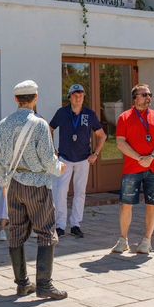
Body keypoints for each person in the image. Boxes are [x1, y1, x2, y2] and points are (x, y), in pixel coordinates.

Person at [0, 80, 68, 300]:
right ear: (35, 98)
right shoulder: (40, 124)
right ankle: (44, 285)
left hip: (14, 183)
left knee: (16, 231)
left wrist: (3, 184)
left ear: (16, 99)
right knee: (45, 231)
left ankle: (22, 283)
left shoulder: (3, 124)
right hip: (36, 184)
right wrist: (59, 169)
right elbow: (47, 158)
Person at [111, 84, 154, 255]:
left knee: (152, 204)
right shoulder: (124, 117)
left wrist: (150, 157)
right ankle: (123, 240)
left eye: (150, 94)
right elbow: (120, 142)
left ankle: (147, 241)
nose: (148, 97)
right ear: (134, 98)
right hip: (132, 168)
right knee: (126, 204)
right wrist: (139, 158)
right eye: (144, 95)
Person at [49, 84, 106, 238]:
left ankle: (75, 224)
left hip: (83, 159)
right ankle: (60, 225)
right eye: (75, 94)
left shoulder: (89, 114)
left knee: (80, 192)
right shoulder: (62, 112)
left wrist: (95, 153)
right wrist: (53, 150)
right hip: (64, 158)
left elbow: (102, 135)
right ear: (69, 96)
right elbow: (50, 129)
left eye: (81, 94)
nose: (78, 97)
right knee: (60, 192)